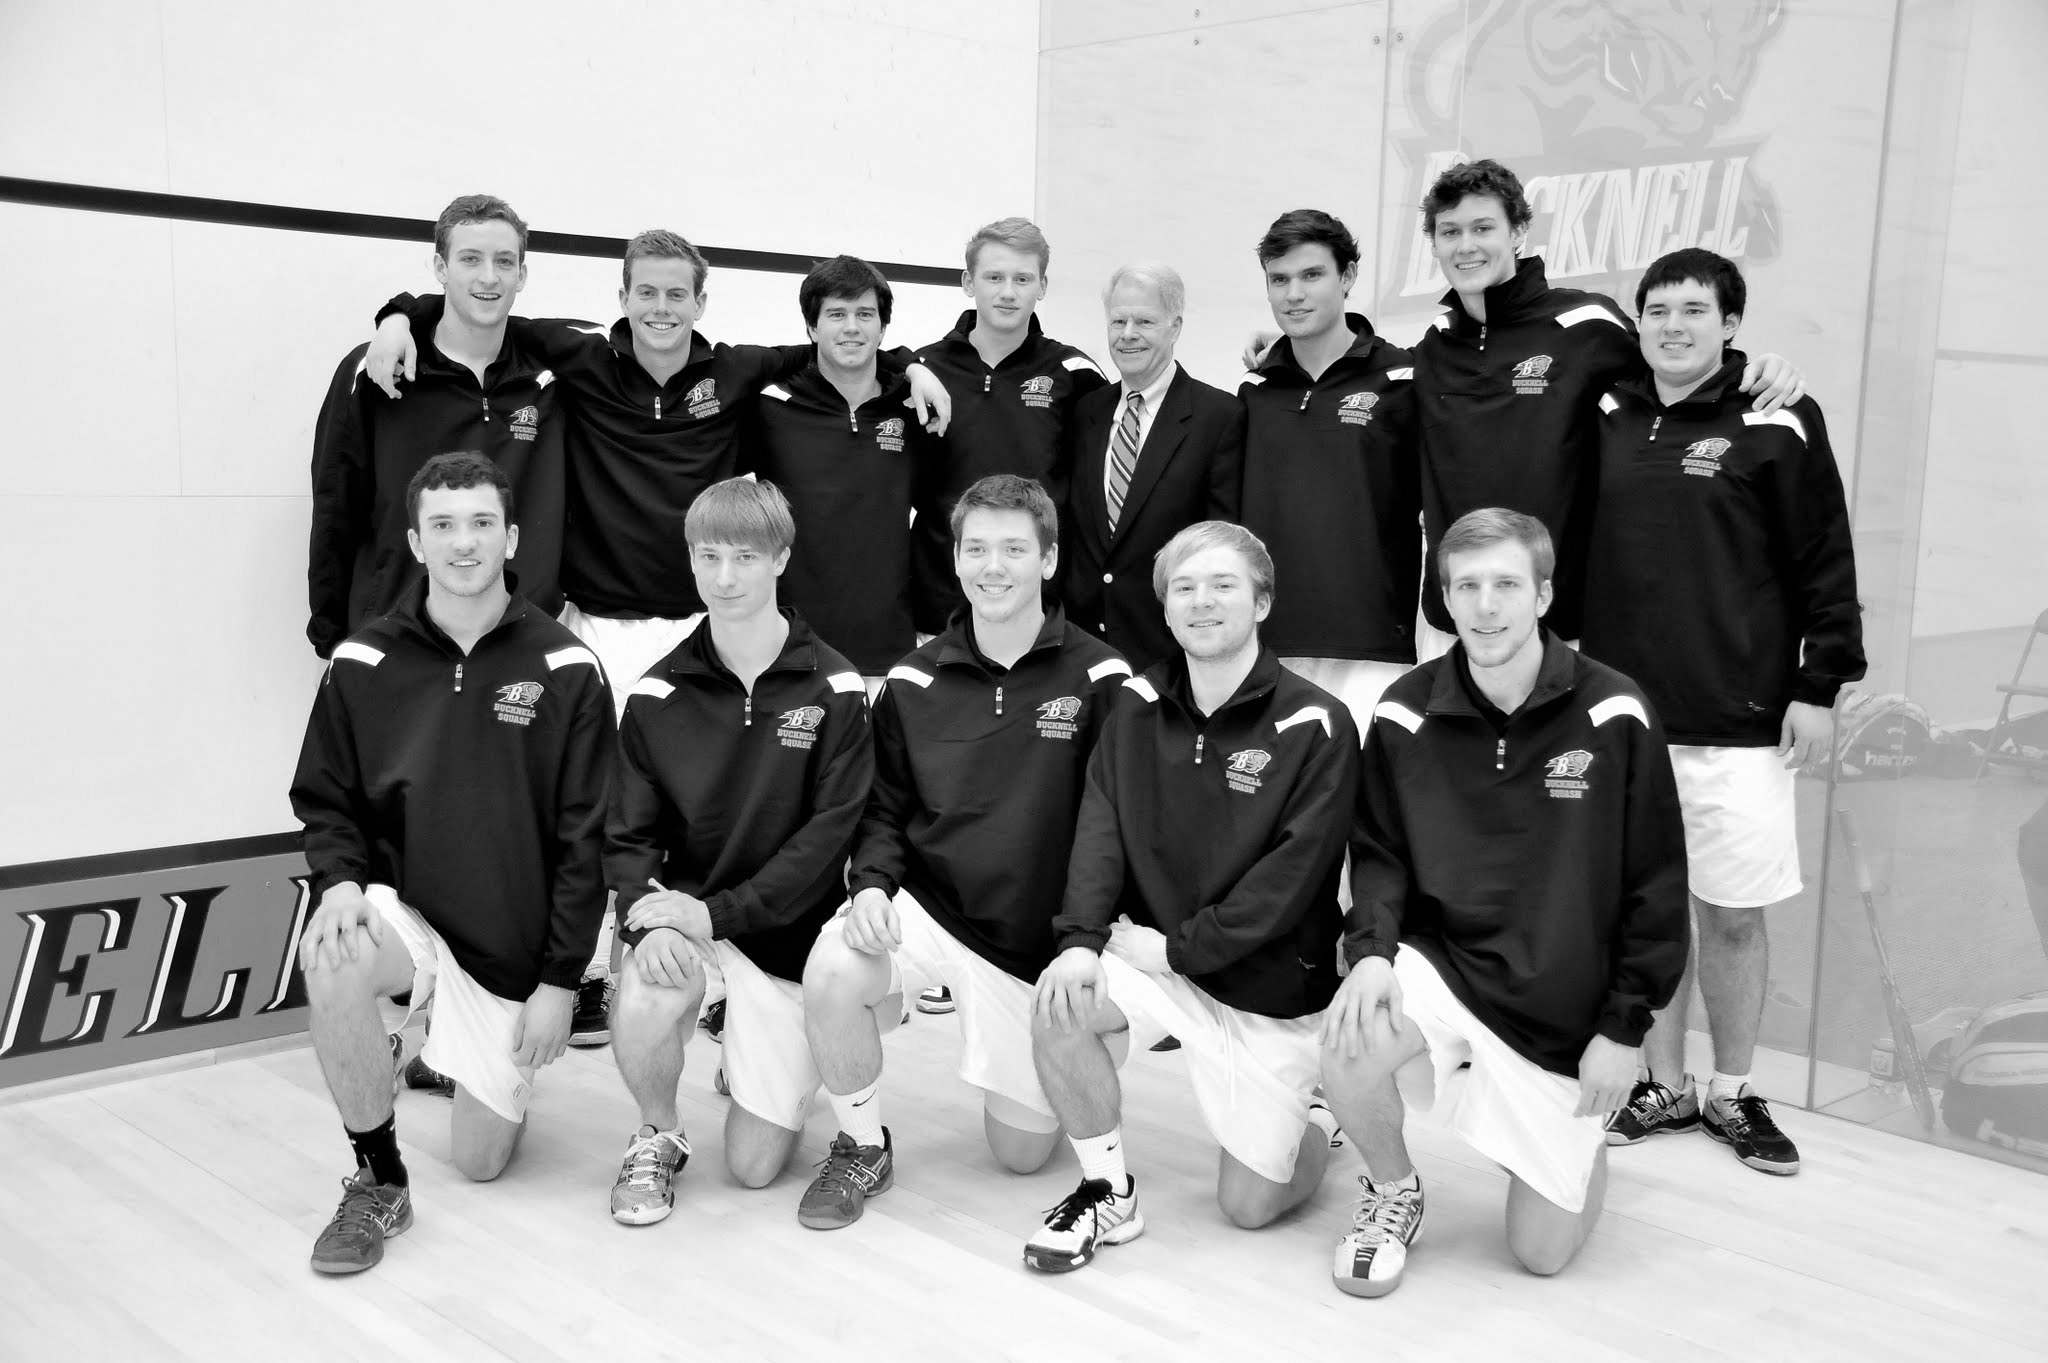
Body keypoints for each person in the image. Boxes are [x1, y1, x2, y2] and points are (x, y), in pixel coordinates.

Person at [362, 230, 945, 1044]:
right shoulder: (580, 358)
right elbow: (476, 310)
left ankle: (722, 967)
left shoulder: (737, 370)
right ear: (625, 297)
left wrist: (911, 360)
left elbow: (842, 341)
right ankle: (594, 972)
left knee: (711, 799)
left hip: (702, 623)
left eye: (679, 294)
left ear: (701, 304)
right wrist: (398, 317)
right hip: (599, 623)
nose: (662, 308)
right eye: (648, 292)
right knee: (595, 801)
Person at [1323, 508, 1687, 1295]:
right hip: (1447, 966)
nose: (1486, 605)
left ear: (1544, 594)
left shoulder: (1615, 712)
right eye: (1467, 586)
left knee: (1540, 1254)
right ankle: (1392, 1190)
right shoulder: (1401, 708)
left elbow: (1656, 884)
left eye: (1506, 585)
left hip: (1562, 1009)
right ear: (1446, 601)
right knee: (1348, 1037)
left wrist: (1623, 1029)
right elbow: (1378, 855)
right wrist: (1373, 953)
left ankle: (1573, 1145)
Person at [289, 451, 613, 1274]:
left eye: (479, 524)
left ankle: (437, 1049)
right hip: (412, 916)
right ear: (415, 539)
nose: (462, 542)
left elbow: (588, 838)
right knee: (330, 956)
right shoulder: (362, 662)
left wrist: (559, 984)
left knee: (481, 1159)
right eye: (442, 525)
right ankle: (378, 1177)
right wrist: (337, 886)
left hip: (510, 949)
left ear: (510, 536)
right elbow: (327, 799)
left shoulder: (568, 667)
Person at [1581, 248, 1863, 1175]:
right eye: (1656, 309)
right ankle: (1662, 1083)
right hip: (1627, 718)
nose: (1672, 325)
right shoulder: (1611, 409)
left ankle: (1734, 1088)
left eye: (1694, 310)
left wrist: (1819, 686)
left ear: (1731, 323)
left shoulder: (1780, 414)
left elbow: (1825, 556)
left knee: (1732, 915)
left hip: (1742, 720)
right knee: (1647, 912)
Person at [796, 475, 1131, 1229]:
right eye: (976, 547)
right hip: (936, 908)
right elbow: (884, 807)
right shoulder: (914, 678)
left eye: (1015, 548)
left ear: (1048, 559)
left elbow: (1116, 826)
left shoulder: (1105, 677)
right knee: (833, 968)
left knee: (1018, 1153)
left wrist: (1083, 939)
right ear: (955, 560)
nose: (993, 565)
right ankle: (860, 1143)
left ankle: (1097, 1034)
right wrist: (872, 886)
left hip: (1041, 946)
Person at [1025, 521, 1358, 1273]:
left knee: (1248, 1209)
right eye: (1185, 587)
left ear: (1262, 601)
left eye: (1223, 585)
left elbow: (1291, 880)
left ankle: (1316, 1116)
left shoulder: (1317, 722)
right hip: (1163, 968)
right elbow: (1099, 828)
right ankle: (1107, 1190)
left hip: (1269, 991)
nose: (1202, 601)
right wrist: (1079, 941)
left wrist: (1176, 949)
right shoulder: (1134, 705)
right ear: (1167, 607)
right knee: (1059, 1000)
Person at [601, 478, 873, 1224]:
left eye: (745, 557)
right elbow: (626, 835)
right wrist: (647, 919)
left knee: (754, 1169)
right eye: (708, 555)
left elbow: (828, 838)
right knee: (648, 987)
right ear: (690, 561)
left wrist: (712, 913)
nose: (725, 576)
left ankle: (778, 1044)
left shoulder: (837, 687)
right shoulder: (655, 695)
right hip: (693, 924)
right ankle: (657, 1132)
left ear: (781, 559)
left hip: (783, 938)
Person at [1409, 159, 1802, 646]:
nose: (1465, 245)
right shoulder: (1432, 346)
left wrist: (1751, 369)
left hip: (1559, 625)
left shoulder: (1588, 325)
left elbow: (1679, 368)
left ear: (1519, 231)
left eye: (1483, 227)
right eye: (1450, 232)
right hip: (1453, 624)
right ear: (1435, 244)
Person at [308, 194, 568, 660]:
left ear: (522, 275)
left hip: (518, 650)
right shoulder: (377, 372)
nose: (489, 276)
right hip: (395, 643)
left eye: (504, 261)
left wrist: (401, 310)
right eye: (470, 259)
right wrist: (331, 645)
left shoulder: (551, 378)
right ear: (440, 267)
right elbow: (334, 512)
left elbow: (647, 335)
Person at [1238, 210, 1420, 732]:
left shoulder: (1404, 379)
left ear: (1347, 277)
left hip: (1372, 649)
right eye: (1280, 280)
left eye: (1311, 275)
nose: (1294, 294)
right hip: (1269, 643)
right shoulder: (1254, 393)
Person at [909, 217, 1108, 637]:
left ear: (1043, 286)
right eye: (994, 277)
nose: (1008, 292)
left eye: (1022, 278)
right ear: (968, 282)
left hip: (1042, 612)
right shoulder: (925, 370)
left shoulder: (1075, 374)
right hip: (940, 609)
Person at [750, 255, 939, 681]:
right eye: (836, 314)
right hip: (788, 646)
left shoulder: (914, 409)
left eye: (864, 314)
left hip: (887, 649)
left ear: (882, 328)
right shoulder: (769, 405)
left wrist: (910, 367)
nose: (852, 327)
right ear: (813, 327)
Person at [1062, 262, 1244, 671]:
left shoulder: (1220, 416)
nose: (1128, 334)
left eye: (1144, 321)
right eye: (1117, 321)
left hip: (1169, 650)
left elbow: (1221, 541)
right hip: (1081, 649)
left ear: (1175, 326)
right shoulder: (1085, 412)